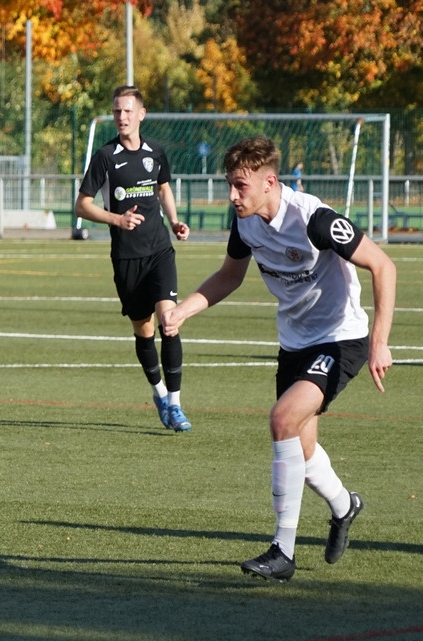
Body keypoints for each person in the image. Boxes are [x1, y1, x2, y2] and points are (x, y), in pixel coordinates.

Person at [162, 136, 396, 582]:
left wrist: (379, 342)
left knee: (282, 419)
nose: (232, 195)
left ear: (269, 182)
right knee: (301, 451)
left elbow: (384, 265)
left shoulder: (314, 219)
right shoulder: (245, 223)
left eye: (240, 186)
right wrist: (184, 311)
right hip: (294, 342)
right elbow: (229, 276)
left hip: (340, 339)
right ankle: (345, 505)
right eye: (230, 185)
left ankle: (282, 551)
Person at [74, 85, 193, 432]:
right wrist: (117, 219)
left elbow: (163, 188)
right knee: (145, 330)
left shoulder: (156, 151)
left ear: (141, 114)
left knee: (169, 322)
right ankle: (159, 394)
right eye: (117, 111)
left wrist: (175, 221)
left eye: (127, 111)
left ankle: (176, 404)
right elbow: (82, 205)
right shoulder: (105, 157)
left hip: (160, 251)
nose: (121, 117)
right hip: (127, 257)